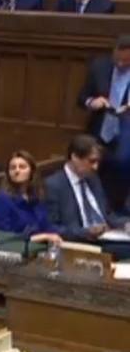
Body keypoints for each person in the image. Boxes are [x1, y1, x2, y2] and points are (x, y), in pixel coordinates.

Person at [44, 134, 130, 249]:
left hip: (107, 237)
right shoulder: (53, 185)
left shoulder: (93, 179)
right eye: (92, 161)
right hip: (80, 242)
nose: (96, 167)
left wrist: (125, 223)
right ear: (75, 157)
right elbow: (52, 227)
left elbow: (108, 214)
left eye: (98, 162)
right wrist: (85, 232)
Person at [78, 35, 130, 212]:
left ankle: (115, 207)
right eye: (118, 59)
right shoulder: (99, 66)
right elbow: (81, 98)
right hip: (101, 121)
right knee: (90, 158)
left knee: (122, 160)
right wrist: (92, 102)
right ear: (113, 52)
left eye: (126, 61)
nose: (121, 64)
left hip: (127, 122)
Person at [0, 150, 63, 245]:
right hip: (16, 251)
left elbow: (47, 226)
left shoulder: (37, 195)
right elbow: (5, 237)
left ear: (32, 171)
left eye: (22, 167)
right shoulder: (3, 198)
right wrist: (42, 237)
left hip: (42, 248)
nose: (17, 171)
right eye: (12, 168)